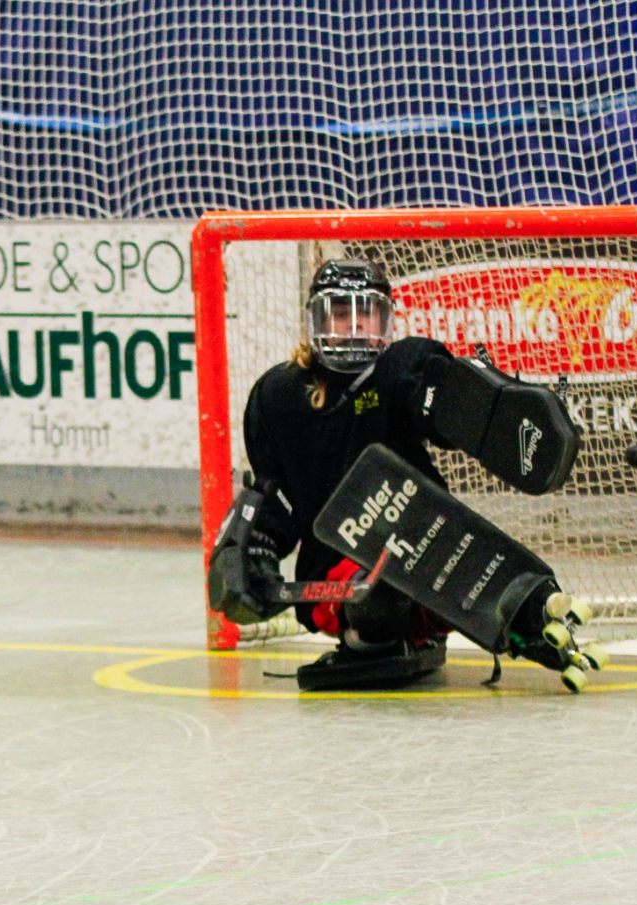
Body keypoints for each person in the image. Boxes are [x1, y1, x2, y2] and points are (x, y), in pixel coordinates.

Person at [226, 259, 589, 691]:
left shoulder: (398, 368)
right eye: (340, 312)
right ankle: (370, 635)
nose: (354, 325)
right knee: (377, 597)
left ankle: (535, 619)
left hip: (428, 545)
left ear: (385, 319)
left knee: (495, 595)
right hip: (338, 569)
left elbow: (434, 406)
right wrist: (256, 550)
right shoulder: (278, 396)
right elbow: (277, 497)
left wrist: (480, 408)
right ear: (315, 320)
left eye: (366, 313)